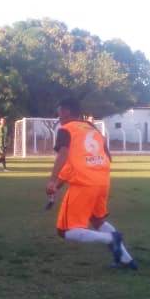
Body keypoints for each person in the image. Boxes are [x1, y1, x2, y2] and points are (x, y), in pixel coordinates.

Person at [46, 97, 137, 270]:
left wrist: (52, 180)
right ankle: (126, 260)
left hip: (84, 183)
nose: (58, 115)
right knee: (97, 220)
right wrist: (57, 185)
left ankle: (111, 238)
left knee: (65, 231)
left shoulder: (66, 129)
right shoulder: (91, 127)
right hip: (102, 180)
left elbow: (64, 155)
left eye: (59, 111)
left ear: (65, 111)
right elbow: (106, 156)